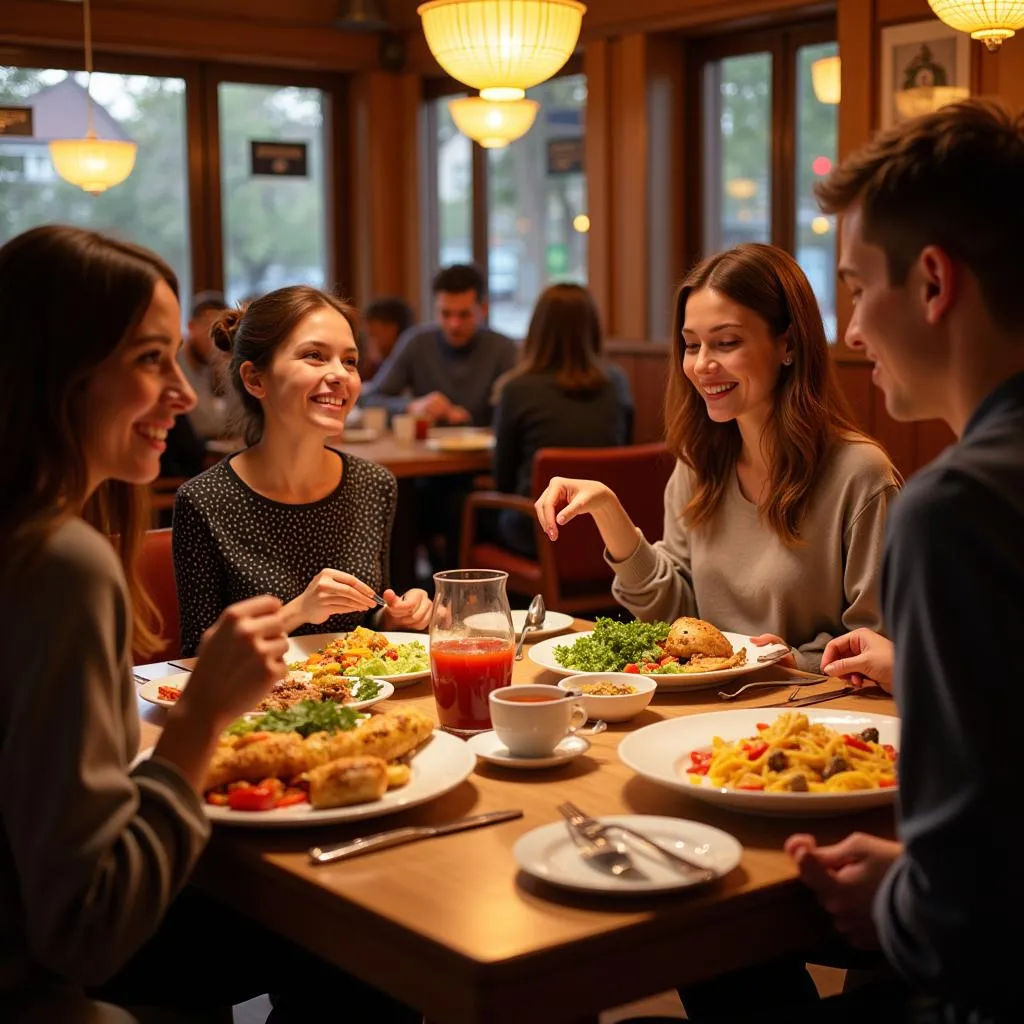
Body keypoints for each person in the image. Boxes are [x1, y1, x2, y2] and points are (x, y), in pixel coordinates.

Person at [0, 225, 419, 1023]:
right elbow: (89, 933)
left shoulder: (45, 543)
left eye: (351, 359)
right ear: (62, 368)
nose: (189, 394)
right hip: (51, 985)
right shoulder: (60, 562)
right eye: (150, 359)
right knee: (369, 935)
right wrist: (201, 715)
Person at [776, 98, 1024, 1024]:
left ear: (931, 283)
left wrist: (895, 902)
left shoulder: (956, 508)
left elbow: (965, 919)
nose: (848, 331)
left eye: (854, 287)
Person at [535, 242, 900, 673]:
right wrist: (608, 511)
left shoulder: (860, 475)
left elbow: (878, 645)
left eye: (726, 343)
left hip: (811, 712)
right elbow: (674, 619)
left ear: (789, 346)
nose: (703, 365)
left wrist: (791, 659)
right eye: (691, 345)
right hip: (709, 706)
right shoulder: (698, 464)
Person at [172, 284, 432, 658]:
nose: (340, 375)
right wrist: (299, 610)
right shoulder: (206, 500)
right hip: (260, 707)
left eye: (350, 361)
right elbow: (198, 655)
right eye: (314, 356)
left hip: (358, 702)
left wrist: (395, 619)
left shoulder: (374, 485)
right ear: (255, 379)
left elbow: (370, 621)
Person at [489, 283, 634, 556]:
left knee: (457, 506)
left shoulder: (518, 388)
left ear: (537, 330)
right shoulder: (617, 383)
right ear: (592, 329)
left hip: (539, 532)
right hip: (607, 531)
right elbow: (623, 451)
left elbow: (503, 480)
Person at [360, 262, 518, 427]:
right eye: (445, 314)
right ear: (435, 308)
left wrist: (470, 419)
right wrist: (412, 406)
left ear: (483, 309)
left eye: (464, 315)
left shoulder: (503, 349)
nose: (454, 325)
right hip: (425, 450)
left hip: (485, 450)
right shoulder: (417, 342)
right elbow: (369, 400)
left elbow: (515, 411)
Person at [360, 294, 414, 381]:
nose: (369, 342)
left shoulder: (410, 370)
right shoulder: (377, 367)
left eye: (373, 334)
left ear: (391, 330)